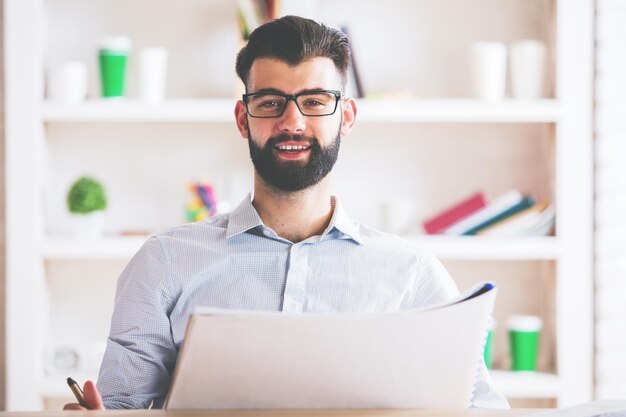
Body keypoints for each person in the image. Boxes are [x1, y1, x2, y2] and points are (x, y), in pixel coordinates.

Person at [63, 15, 509, 410]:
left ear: (347, 117)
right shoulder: (164, 263)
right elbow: (120, 407)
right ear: (243, 118)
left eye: (314, 102)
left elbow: (479, 406)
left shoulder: (412, 274)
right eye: (271, 102)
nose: (292, 122)